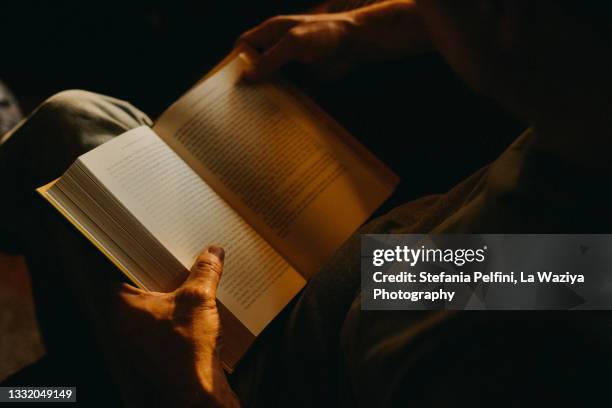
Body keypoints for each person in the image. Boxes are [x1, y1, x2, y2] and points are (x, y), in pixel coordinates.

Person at [1, 0, 611, 406]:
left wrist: (189, 386)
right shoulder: (583, 131)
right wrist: (364, 29)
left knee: (65, 134)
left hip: (266, 381)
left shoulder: (500, 352)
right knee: (77, 123)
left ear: (507, 25)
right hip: (383, 279)